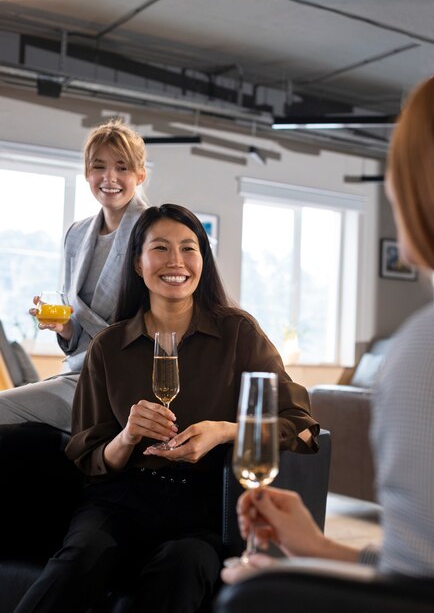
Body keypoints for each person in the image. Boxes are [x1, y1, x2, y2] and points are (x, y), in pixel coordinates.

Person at [13, 203, 319, 613]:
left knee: (183, 567)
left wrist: (225, 431)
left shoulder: (238, 334)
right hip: (120, 501)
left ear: (202, 261)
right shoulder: (108, 346)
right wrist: (127, 436)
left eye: (188, 248)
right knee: (77, 561)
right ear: (138, 264)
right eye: (160, 248)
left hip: (204, 505)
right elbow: (88, 456)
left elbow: (300, 424)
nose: (176, 261)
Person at [222, 74, 434, 585]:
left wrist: (268, 587)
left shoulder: (422, 350)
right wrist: (317, 546)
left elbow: (410, 594)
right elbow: (417, 566)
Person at [0, 118, 148, 433]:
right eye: (99, 167)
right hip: (77, 371)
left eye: (122, 167)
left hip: (126, 380)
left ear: (140, 174)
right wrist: (64, 326)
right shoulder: (77, 234)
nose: (110, 178)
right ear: (86, 174)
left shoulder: (152, 230)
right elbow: (76, 328)